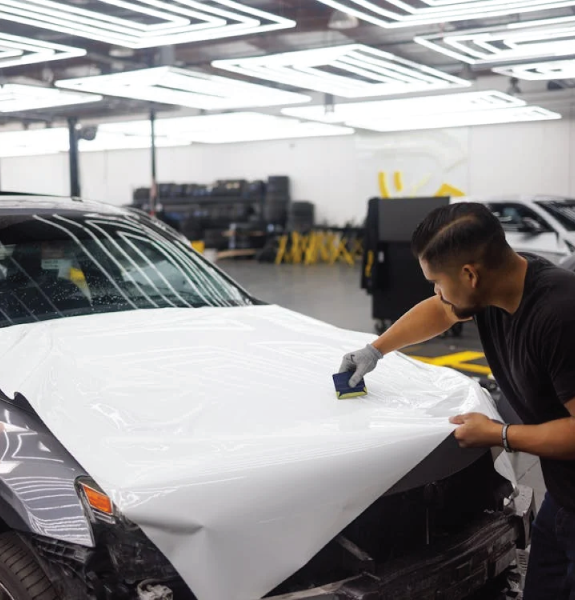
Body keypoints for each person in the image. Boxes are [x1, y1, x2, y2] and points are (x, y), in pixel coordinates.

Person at [339, 202, 575, 600]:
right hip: (564, 495)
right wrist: (375, 351)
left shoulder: (560, 315)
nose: (436, 291)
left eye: (437, 280)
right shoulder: (502, 283)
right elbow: (441, 310)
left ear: (470, 274)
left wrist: (500, 434)